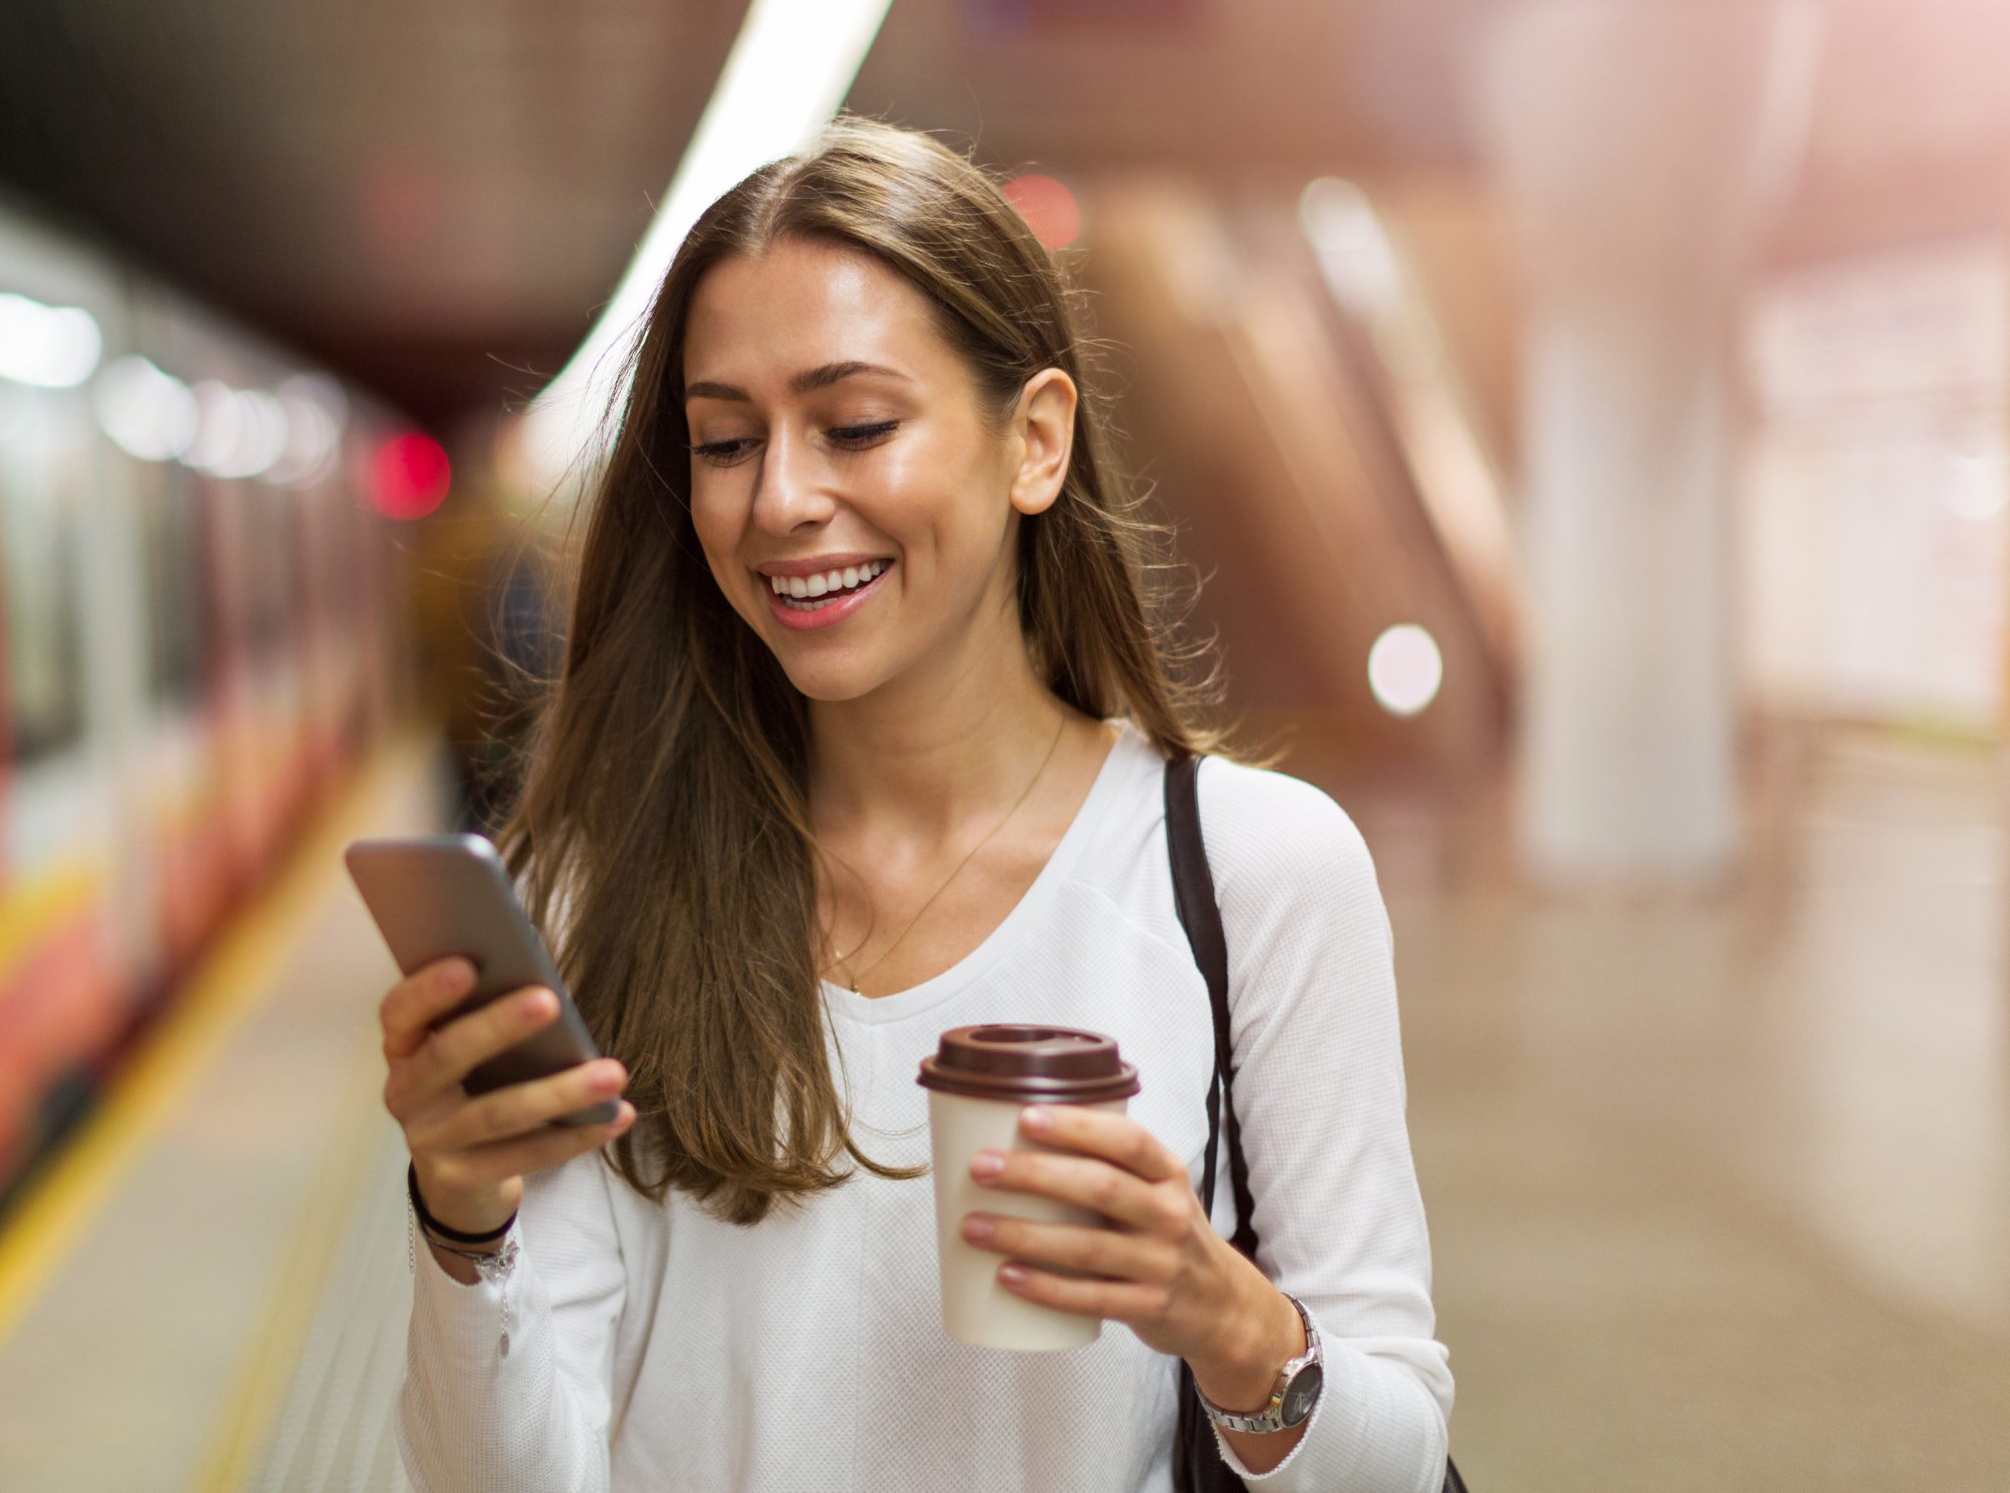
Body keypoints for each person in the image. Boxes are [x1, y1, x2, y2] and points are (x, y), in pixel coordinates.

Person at [378, 118, 1452, 1490]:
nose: (779, 501)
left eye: (858, 426)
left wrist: (1227, 1321)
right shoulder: (596, 895)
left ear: (1035, 444)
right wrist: (465, 1222)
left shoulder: (1248, 873)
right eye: (723, 441)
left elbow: (1397, 1462)